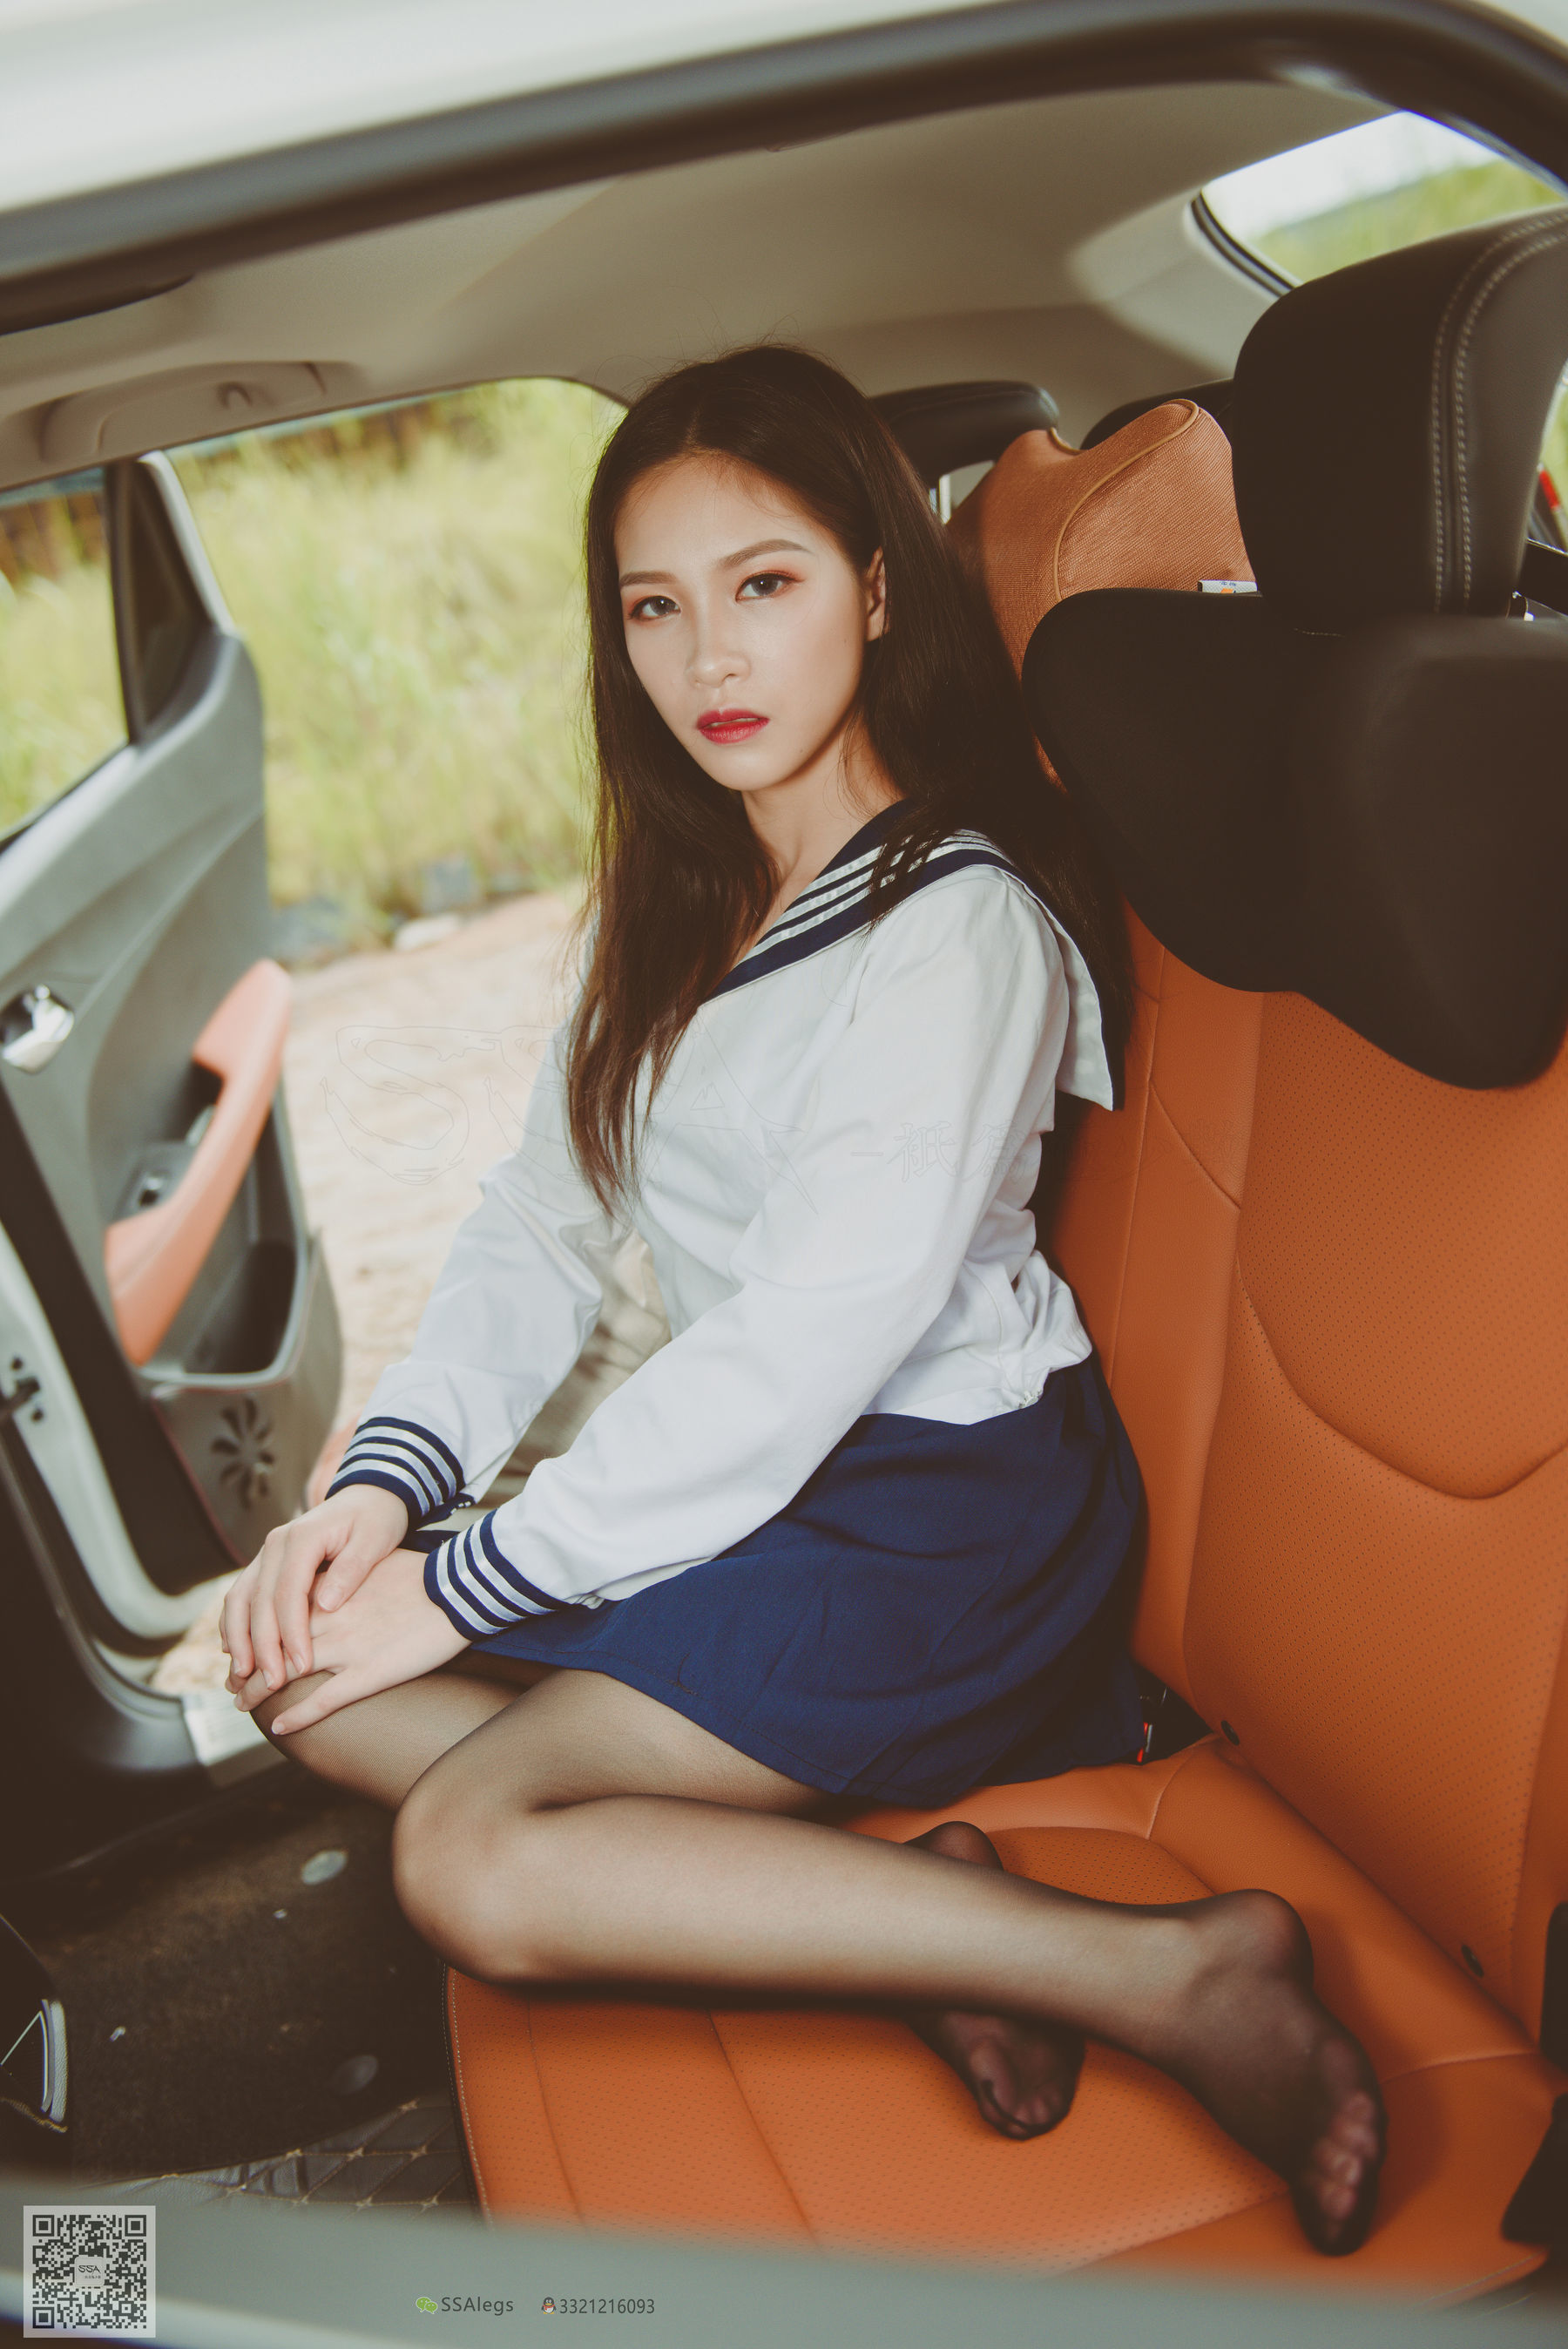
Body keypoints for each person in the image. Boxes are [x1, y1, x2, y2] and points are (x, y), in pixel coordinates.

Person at [221, 345, 1384, 2254]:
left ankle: (1170, 1966)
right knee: (307, 1668)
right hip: (769, 1477)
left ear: (875, 583)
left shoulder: (956, 921)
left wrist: (471, 1580)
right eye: (654, 609)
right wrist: (379, 1500)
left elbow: (806, 1343)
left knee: (475, 1852)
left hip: (946, 1503)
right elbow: (537, 1225)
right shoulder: (678, 904)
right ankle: (906, 1922)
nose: (710, 660)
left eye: (761, 584)